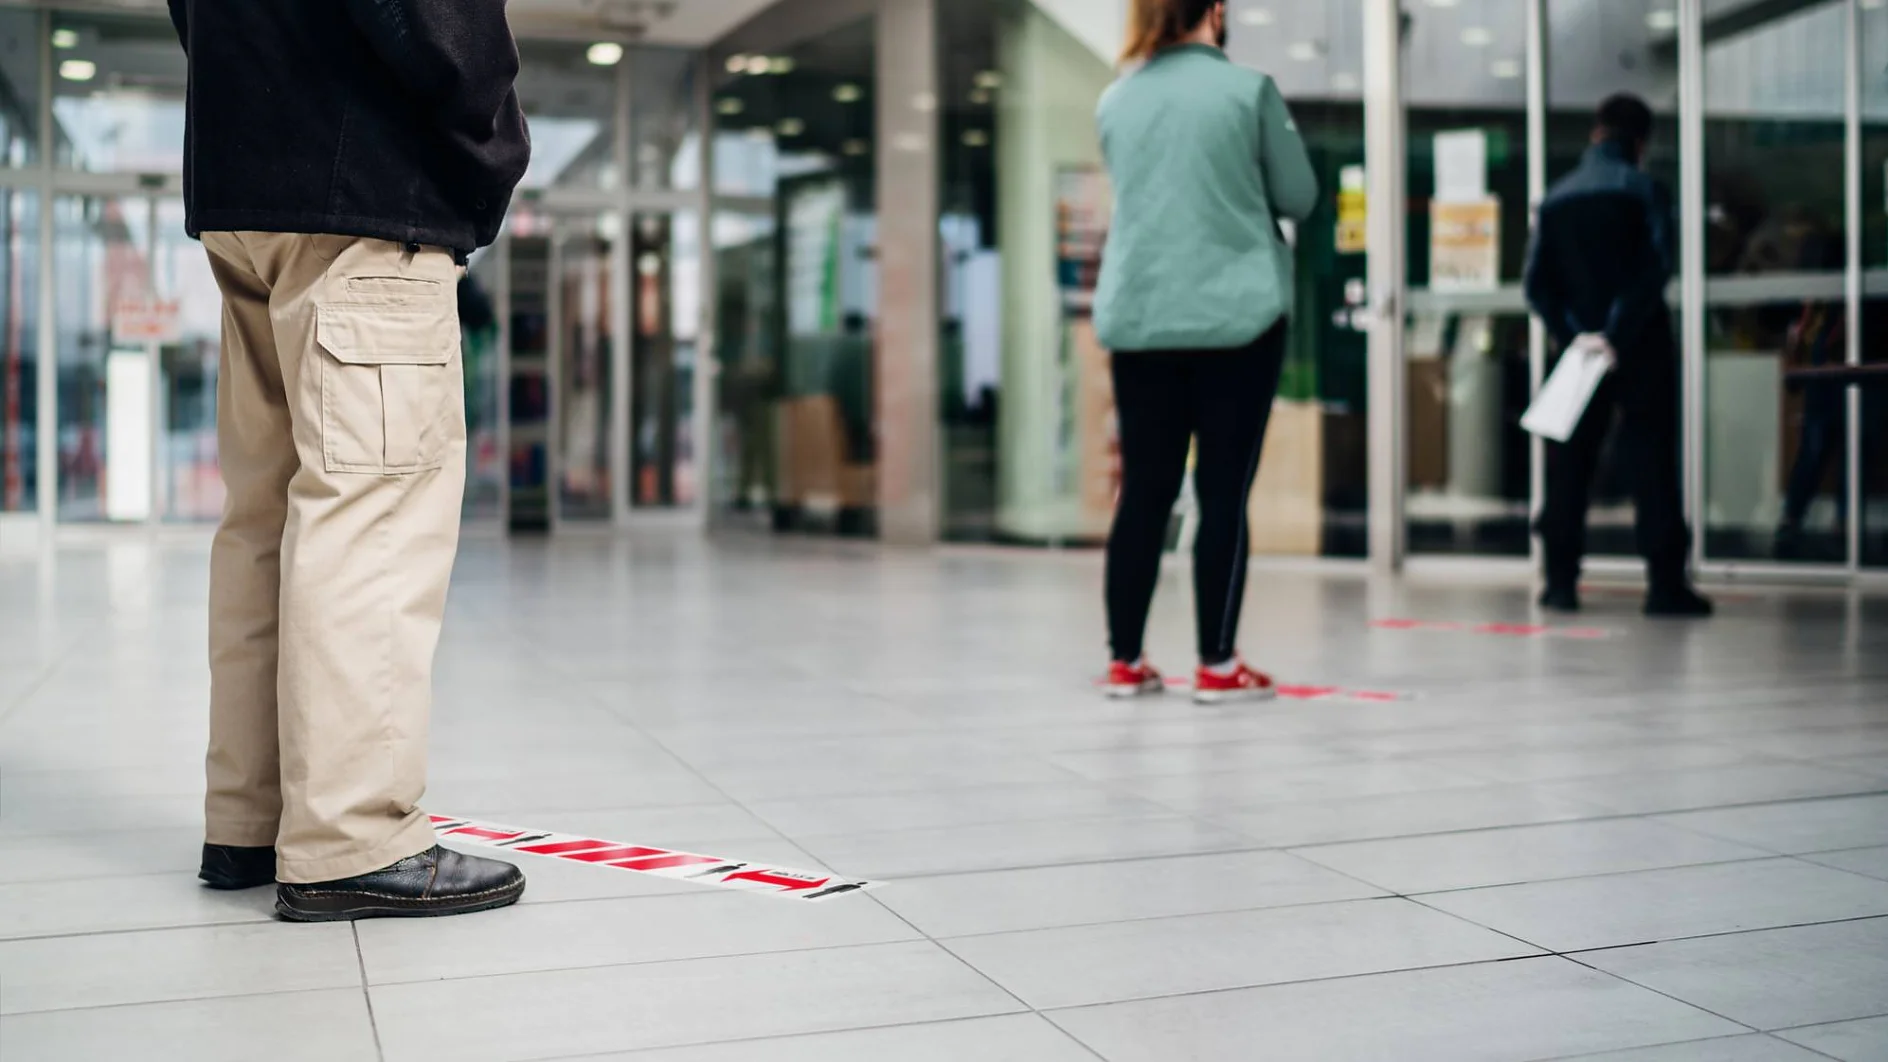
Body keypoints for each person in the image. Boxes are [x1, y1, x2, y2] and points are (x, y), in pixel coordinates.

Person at [168, 0, 533, 920]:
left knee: (264, 520)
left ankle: (250, 820)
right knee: (372, 517)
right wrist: (491, 153)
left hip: (245, 190)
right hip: (365, 192)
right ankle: (349, 837)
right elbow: (451, 34)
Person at [1094, 0, 1317, 703]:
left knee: (1145, 494)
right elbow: (1299, 195)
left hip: (1141, 319)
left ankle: (1125, 661)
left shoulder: (1116, 100)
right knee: (1222, 492)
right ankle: (1217, 666)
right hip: (1237, 319)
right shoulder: (1248, 91)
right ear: (1216, 11)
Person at [1523, 94, 1712, 617]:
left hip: (1577, 353)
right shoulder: (1645, 190)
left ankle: (1560, 583)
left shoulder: (1555, 198)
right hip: (1640, 345)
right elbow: (1655, 268)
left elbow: (1537, 286)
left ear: (1595, 133)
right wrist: (1615, 333)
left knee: (1571, 466)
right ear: (1640, 142)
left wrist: (1578, 335)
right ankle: (1665, 587)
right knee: (1651, 460)